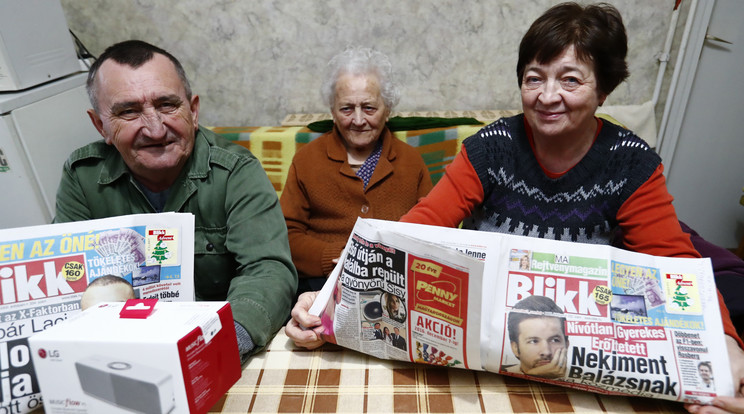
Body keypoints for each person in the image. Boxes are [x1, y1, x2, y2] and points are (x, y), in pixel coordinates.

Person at [286, 6, 744, 411]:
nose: (547, 96)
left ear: (603, 90)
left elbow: (675, 264)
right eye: (534, 78)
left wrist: (725, 343)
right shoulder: (489, 149)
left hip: (576, 357)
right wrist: (329, 300)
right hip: (484, 354)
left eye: (570, 79)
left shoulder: (632, 163)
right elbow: (416, 231)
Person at [54, 40, 297, 361]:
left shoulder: (236, 171)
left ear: (193, 111)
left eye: (167, 105)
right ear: (101, 125)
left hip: (215, 342)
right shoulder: (82, 176)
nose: (155, 129)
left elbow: (267, 269)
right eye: (129, 111)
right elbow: (69, 273)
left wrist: (223, 344)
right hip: (117, 347)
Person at [280, 47, 433, 296]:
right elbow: (285, 235)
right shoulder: (307, 160)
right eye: (346, 109)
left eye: (369, 108)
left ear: (388, 109)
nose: (359, 120)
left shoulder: (411, 161)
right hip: (321, 286)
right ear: (332, 111)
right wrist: (338, 259)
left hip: (396, 288)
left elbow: (431, 232)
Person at [502, 295, 568, 379]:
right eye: (534, 341)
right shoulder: (497, 374)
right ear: (515, 347)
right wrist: (530, 375)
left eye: (555, 340)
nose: (546, 352)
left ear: (567, 344)